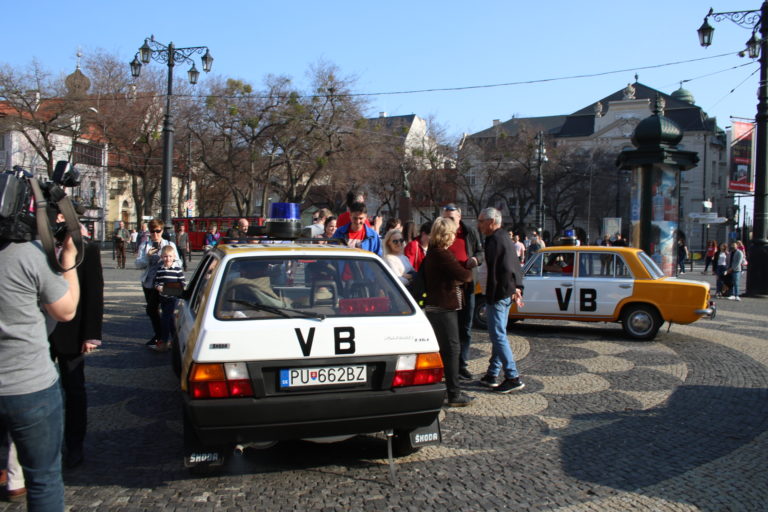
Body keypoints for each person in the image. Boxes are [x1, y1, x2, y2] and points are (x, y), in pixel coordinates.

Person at [0, 223, 80, 510]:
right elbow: (66, 310)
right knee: (43, 478)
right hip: (28, 384)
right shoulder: (28, 253)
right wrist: (68, 257)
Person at [49, 225, 103, 470]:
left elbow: (94, 291)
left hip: (72, 331)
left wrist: (91, 335)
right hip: (38, 332)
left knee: (74, 390)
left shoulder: (87, 249)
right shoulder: (35, 244)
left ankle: (74, 445)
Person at [421, 217, 474, 407]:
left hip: (438, 306)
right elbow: (464, 275)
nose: (454, 238)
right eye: (452, 234)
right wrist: (461, 276)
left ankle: (448, 389)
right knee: (452, 349)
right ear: (446, 235)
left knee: (447, 349)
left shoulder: (434, 253)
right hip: (443, 307)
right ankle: (454, 394)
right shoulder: (442, 254)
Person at [476, 207, 525, 394]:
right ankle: (492, 373)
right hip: (504, 293)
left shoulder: (495, 239)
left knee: (498, 335)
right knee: (499, 334)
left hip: (498, 294)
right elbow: (514, 266)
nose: (479, 224)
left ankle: (513, 376)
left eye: (481, 221)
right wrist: (517, 288)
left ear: (491, 222)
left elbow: (504, 269)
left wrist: (500, 291)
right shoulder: (503, 237)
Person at [441, 204, 484, 381]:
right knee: (448, 328)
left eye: (452, 218)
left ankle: (462, 364)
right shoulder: (442, 233)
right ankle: (448, 365)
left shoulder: (469, 232)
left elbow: (481, 252)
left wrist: (476, 259)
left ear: (459, 217)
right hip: (447, 287)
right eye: (446, 217)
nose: (448, 221)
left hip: (467, 286)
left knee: (465, 327)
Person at [136, 219, 181, 350]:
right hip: (150, 283)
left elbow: (178, 263)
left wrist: (167, 260)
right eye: (152, 231)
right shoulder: (145, 245)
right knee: (152, 310)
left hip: (167, 282)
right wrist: (147, 257)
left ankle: (167, 337)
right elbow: (138, 264)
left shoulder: (169, 244)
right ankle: (162, 335)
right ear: (149, 232)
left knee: (167, 311)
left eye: (158, 231)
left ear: (162, 230)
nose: (155, 234)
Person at [152, 245, 186, 351]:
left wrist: (173, 289)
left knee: (165, 319)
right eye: (165, 256)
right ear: (162, 257)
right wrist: (158, 287)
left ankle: (164, 341)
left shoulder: (177, 269)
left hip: (173, 298)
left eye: (170, 256)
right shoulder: (160, 269)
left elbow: (183, 283)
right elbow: (156, 282)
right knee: (170, 320)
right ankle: (175, 340)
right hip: (163, 297)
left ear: (174, 256)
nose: (168, 259)